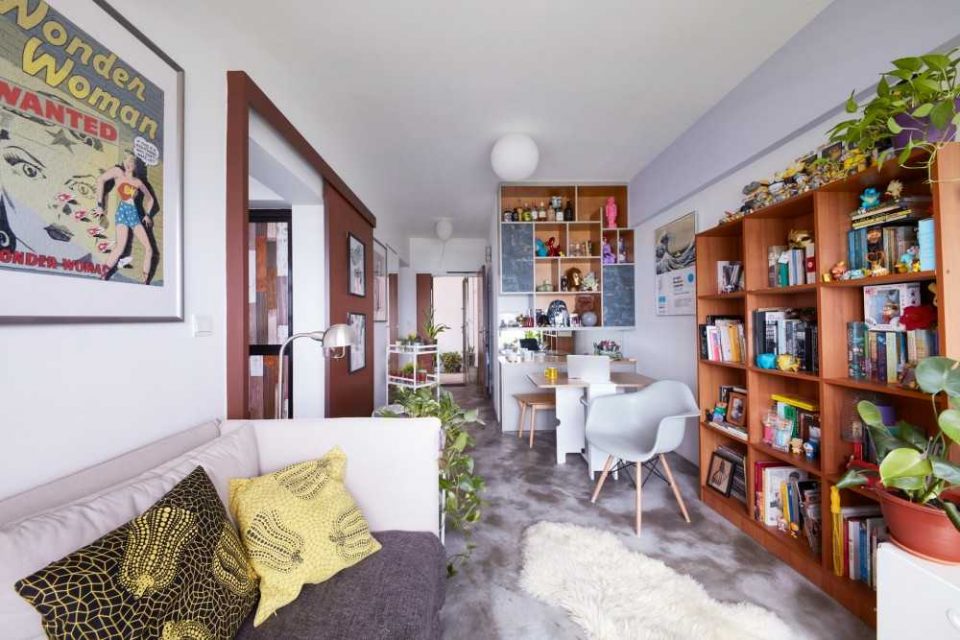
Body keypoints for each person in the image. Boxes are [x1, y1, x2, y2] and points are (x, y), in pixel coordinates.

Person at [95, 153, 155, 282]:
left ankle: (145, 282)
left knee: (149, 249)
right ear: (123, 162)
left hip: (134, 215)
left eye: (131, 161)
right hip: (122, 212)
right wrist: (99, 205)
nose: (128, 163)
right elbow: (100, 180)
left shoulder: (138, 182)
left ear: (135, 166)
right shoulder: (118, 173)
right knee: (120, 247)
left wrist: (148, 215)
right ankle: (102, 276)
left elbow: (150, 199)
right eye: (126, 160)